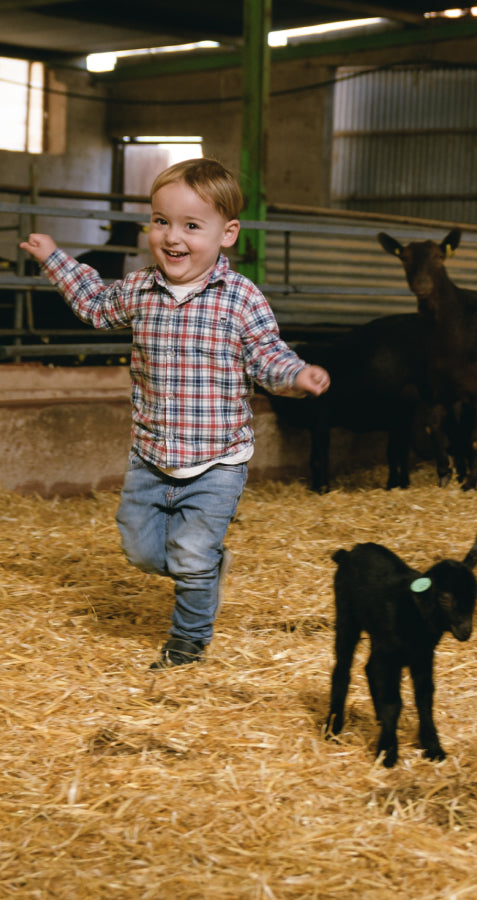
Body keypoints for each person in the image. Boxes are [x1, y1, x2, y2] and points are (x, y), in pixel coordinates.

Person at [20, 158, 331, 670]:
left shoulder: (240, 299)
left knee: (189, 553)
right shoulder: (141, 289)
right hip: (151, 453)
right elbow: (96, 303)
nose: (172, 237)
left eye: (191, 225)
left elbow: (267, 354)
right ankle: (205, 568)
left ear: (226, 234)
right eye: (161, 221)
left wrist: (296, 376)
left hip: (218, 460)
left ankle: (188, 641)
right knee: (140, 551)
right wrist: (55, 258)